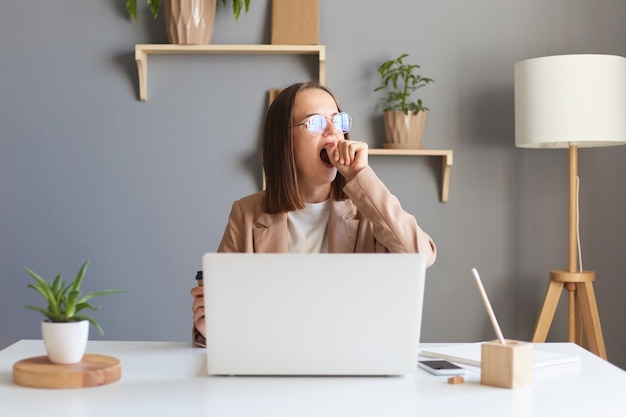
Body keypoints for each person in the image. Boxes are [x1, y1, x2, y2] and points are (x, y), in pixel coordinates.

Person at [190, 81, 436, 346]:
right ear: (285, 142)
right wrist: (208, 329)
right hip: (271, 366)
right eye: (316, 123)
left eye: (338, 120)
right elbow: (227, 323)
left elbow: (419, 256)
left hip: (355, 364)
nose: (333, 131)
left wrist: (361, 177)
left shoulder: (369, 212)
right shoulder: (246, 214)